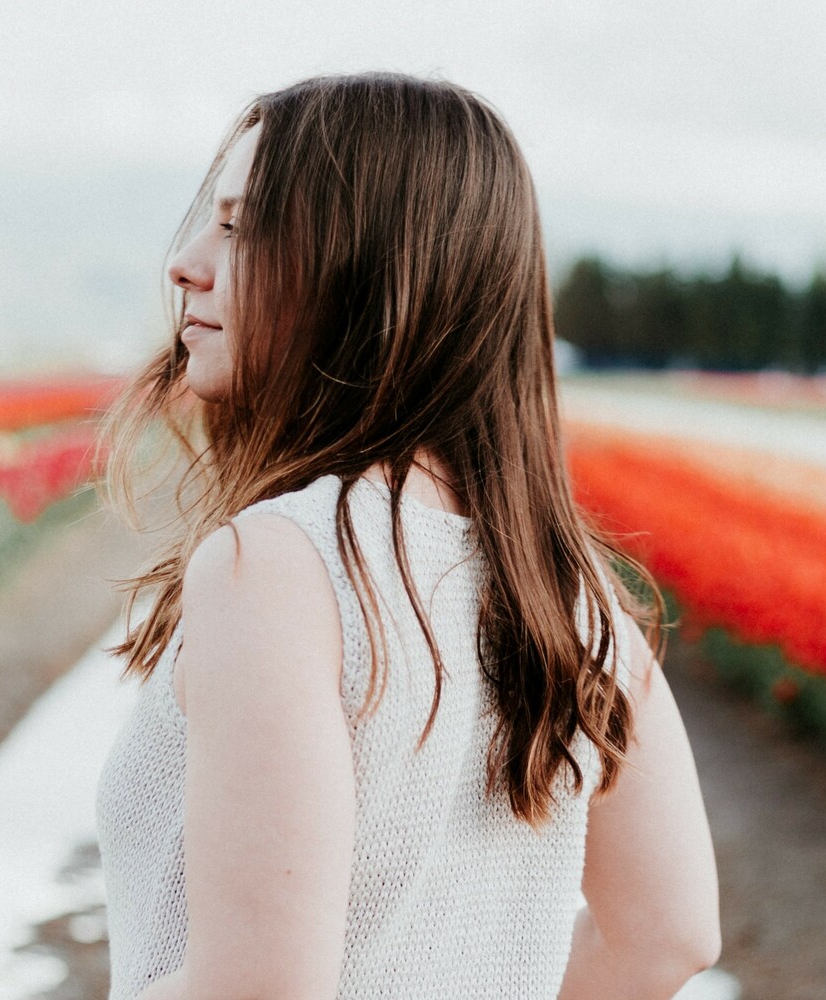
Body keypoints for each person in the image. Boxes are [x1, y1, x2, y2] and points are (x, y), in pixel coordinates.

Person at [93, 70, 720, 1000]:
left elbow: (262, 989)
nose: (188, 261)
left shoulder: (277, 563)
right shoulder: (566, 589)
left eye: (239, 225)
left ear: (372, 271)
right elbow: (669, 936)